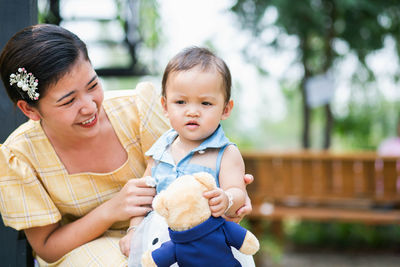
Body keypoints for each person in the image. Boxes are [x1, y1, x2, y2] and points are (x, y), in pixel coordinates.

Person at [0, 24, 253, 266]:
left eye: (93, 85)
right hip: (82, 248)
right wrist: (112, 210)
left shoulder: (137, 109)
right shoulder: (19, 156)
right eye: (68, 101)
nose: (89, 106)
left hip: (167, 233)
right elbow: (47, 246)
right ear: (29, 109)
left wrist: (229, 195)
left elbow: (187, 161)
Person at [121, 47, 255, 267]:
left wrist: (226, 199)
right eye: (181, 102)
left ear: (225, 109)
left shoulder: (225, 152)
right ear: (165, 105)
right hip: (162, 239)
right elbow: (143, 198)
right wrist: (133, 230)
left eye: (205, 103)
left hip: (210, 243)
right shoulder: (160, 151)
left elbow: (238, 193)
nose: (192, 111)